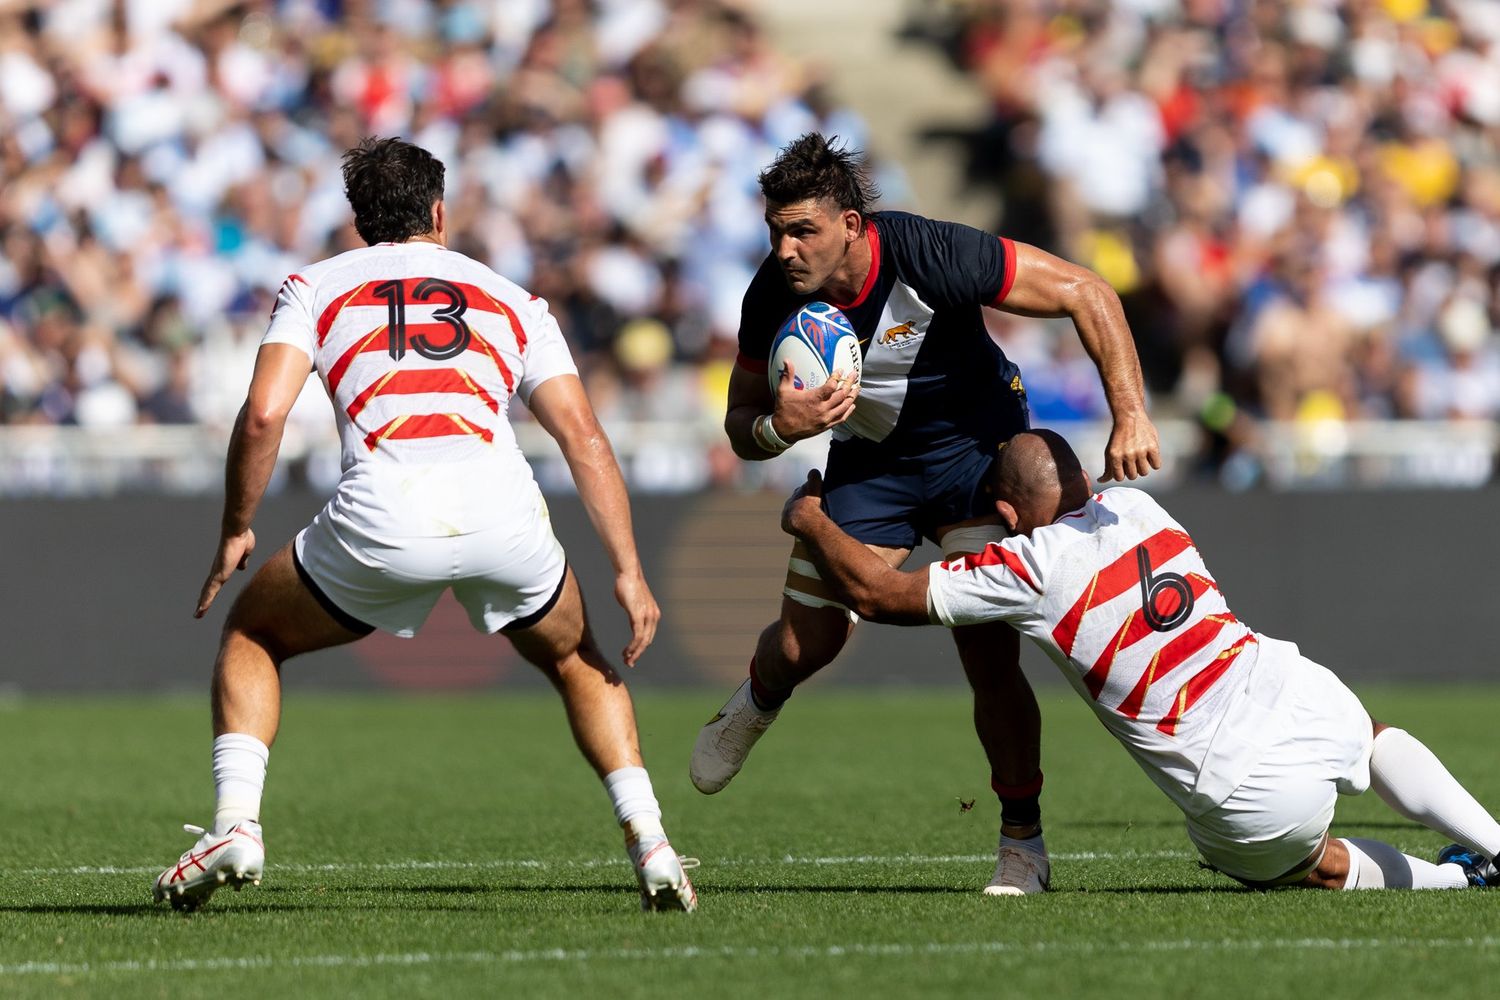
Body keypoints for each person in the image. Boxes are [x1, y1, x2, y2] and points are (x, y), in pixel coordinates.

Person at [152, 137, 696, 913]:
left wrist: (237, 524)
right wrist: (629, 570)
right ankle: (652, 843)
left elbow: (266, 411)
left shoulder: (315, 285)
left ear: (357, 221)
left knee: (254, 635)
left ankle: (237, 824)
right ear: (440, 211)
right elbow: (583, 435)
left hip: (383, 511)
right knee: (577, 659)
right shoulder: (512, 297)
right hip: (502, 509)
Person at [690, 132, 1160, 896]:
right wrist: (783, 428)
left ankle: (1023, 844)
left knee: (988, 654)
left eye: (801, 229)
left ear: (851, 224)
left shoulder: (929, 252)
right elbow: (742, 424)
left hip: (977, 461)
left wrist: (1131, 414)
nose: (784, 248)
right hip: (872, 465)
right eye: (775, 229)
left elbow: (1085, 290)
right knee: (804, 648)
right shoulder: (771, 295)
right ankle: (757, 698)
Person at [780, 429, 1500, 890]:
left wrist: (813, 520)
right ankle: (1494, 842)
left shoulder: (1025, 567)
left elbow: (877, 595)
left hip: (1237, 782)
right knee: (1372, 740)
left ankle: (1459, 884)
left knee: (1304, 865)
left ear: (1004, 514)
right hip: (1285, 686)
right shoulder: (1139, 507)